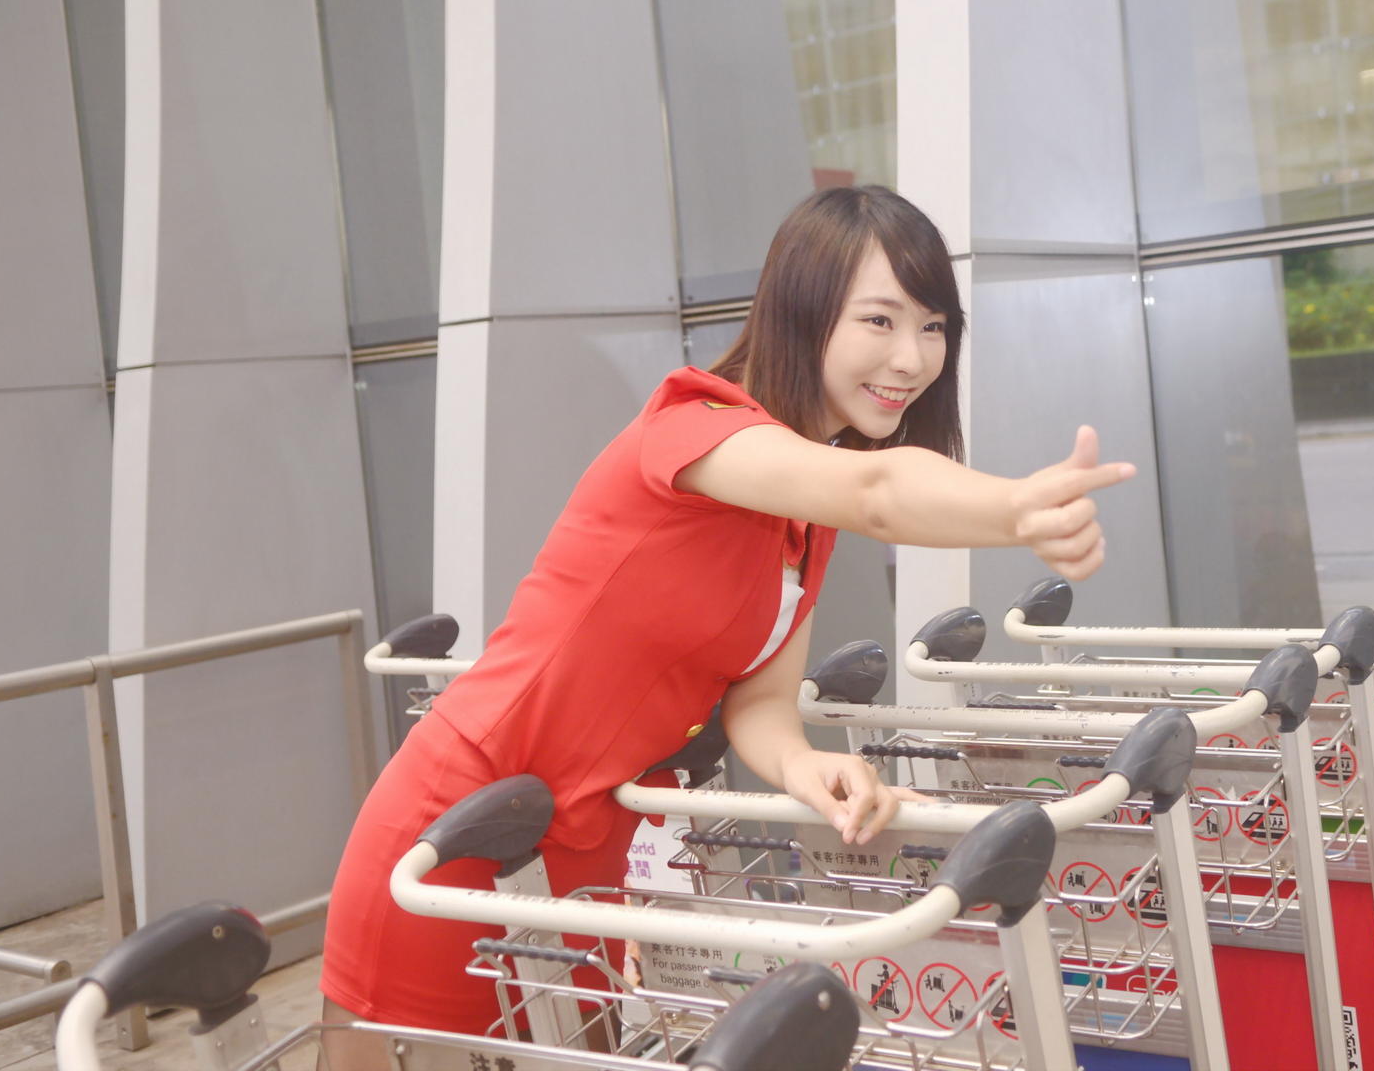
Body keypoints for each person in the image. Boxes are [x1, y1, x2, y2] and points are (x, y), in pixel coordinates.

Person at [317, 185, 1134, 1058]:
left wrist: (807, 766)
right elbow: (878, 490)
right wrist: (1016, 510)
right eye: (879, 320)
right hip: (458, 821)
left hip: (588, 839)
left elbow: (760, 702)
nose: (912, 357)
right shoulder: (693, 430)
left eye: (933, 326)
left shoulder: (805, 507)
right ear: (802, 312)